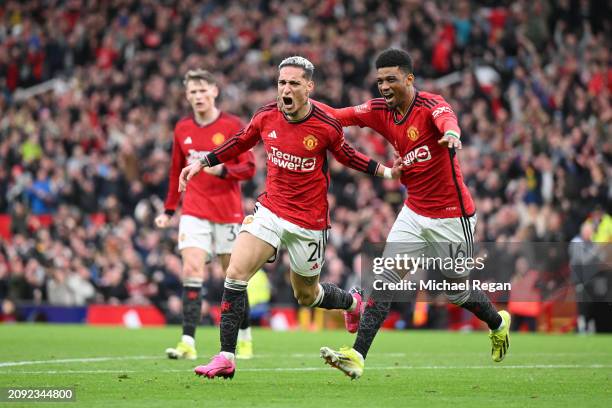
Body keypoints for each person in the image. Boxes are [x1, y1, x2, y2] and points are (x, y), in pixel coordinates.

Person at [178, 56, 402, 379]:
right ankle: (227, 355)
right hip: (270, 210)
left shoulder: (325, 123)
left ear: (309, 87)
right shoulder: (266, 115)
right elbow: (241, 141)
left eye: (294, 83)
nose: (286, 88)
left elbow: (347, 155)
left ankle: (351, 303)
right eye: (282, 82)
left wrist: (384, 172)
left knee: (306, 296)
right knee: (236, 273)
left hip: (309, 222)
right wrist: (203, 161)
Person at [318, 49, 511, 379]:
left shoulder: (430, 105)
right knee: (385, 279)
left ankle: (498, 322)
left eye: (391, 79)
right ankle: (357, 356)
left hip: (452, 217)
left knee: (456, 291)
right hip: (414, 212)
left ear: (409, 79)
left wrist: (451, 134)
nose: (383, 86)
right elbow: (339, 115)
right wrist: (305, 109)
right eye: (379, 81)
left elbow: (447, 120)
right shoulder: (379, 110)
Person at [156, 69, 256, 361]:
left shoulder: (232, 125)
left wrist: (223, 169)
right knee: (191, 269)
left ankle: (246, 335)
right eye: (192, 92)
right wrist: (169, 209)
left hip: (227, 212)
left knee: (233, 277)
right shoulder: (182, 128)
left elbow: (249, 167)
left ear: (214, 91)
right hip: (194, 210)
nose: (198, 97)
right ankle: (188, 341)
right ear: (187, 96)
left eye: (202, 91)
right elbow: (176, 170)